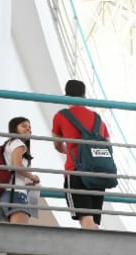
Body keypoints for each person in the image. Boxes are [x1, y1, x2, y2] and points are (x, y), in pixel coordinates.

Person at [51, 79, 108, 229]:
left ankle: (98, 251)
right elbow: (107, 144)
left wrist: (70, 151)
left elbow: (57, 144)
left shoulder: (61, 116)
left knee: (86, 220)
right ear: (84, 96)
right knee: (93, 222)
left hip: (76, 171)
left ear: (66, 96)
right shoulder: (98, 119)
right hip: (98, 175)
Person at [0, 116, 41, 223]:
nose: (28, 129)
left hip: (5, 195)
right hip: (16, 195)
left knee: (10, 236)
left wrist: (29, 182)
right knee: (20, 235)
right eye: (24, 126)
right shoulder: (18, 143)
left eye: (29, 127)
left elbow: (13, 172)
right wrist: (32, 177)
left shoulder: (8, 145)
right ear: (14, 128)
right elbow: (17, 166)